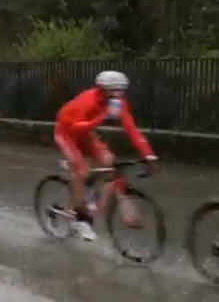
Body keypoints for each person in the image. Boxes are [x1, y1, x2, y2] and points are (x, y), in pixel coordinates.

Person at [54, 70, 158, 241]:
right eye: (113, 90)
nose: (118, 95)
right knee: (81, 170)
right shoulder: (88, 100)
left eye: (121, 90)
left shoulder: (118, 104)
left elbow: (132, 131)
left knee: (108, 160)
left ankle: (86, 190)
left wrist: (149, 155)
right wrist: (101, 118)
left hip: (85, 132)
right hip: (67, 132)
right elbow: (75, 128)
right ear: (102, 90)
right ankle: (79, 218)